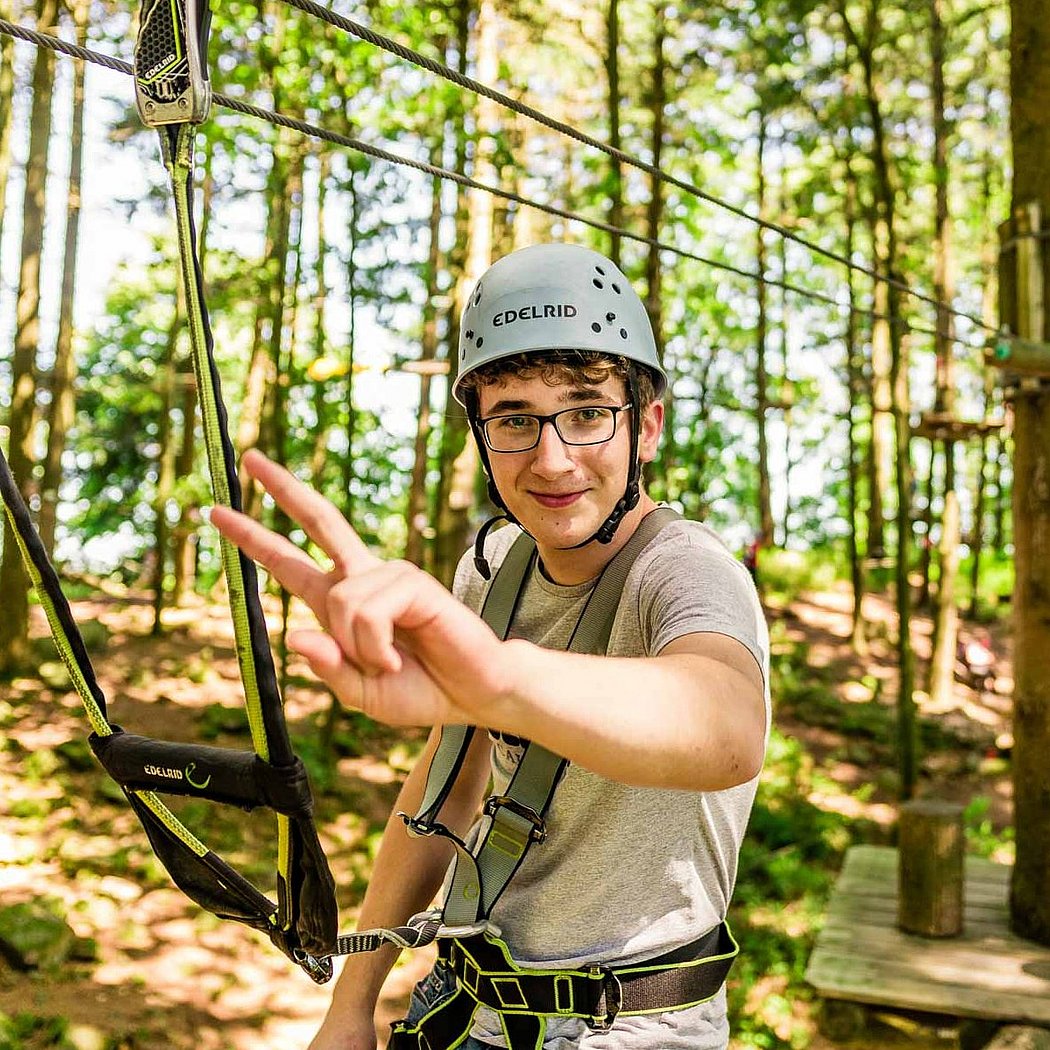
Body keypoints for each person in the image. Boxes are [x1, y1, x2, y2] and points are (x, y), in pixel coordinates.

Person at [211, 242, 770, 1050]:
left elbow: (725, 730)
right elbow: (445, 788)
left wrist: (499, 678)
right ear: (480, 432)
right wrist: (352, 1003)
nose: (552, 459)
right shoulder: (493, 572)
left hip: (631, 1029)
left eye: (586, 412)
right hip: (469, 1008)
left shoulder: (687, 573)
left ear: (644, 426)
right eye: (513, 419)